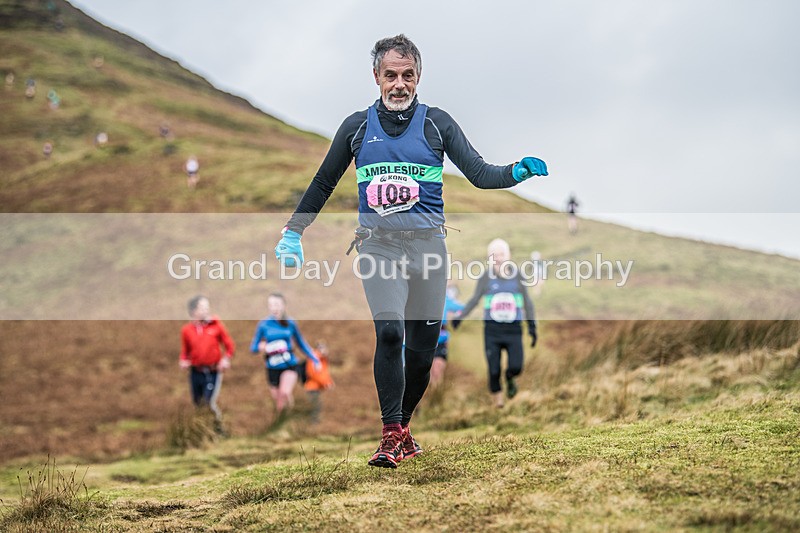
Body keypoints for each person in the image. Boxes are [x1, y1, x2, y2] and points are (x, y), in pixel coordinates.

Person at [274, 35, 548, 468]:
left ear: (418, 77)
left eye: (407, 75)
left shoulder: (437, 124)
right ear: (376, 77)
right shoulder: (357, 127)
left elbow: (478, 173)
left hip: (429, 252)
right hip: (378, 247)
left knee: (422, 351)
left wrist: (515, 172)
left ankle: (402, 428)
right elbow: (323, 183)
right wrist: (294, 231)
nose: (399, 84)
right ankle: (389, 435)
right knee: (390, 333)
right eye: (390, 75)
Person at [453, 239, 537, 408]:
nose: (498, 258)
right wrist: (460, 317)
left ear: (508, 256)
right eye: (494, 255)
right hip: (492, 331)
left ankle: (510, 377)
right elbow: (475, 299)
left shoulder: (518, 276)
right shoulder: (485, 277)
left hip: (514, 331)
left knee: (516, 367)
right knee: (493, 370)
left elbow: (528, 302)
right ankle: (499, 406)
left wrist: (532, 327)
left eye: (501, 254)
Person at [250, 293, 320, 418]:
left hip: (289, 364)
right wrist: (263, 347)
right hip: (272, 367)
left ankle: (288, 421)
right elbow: (253, 347)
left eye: (276, 304)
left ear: (283, 306)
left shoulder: (291, 323)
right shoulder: (264, 324)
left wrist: (314, 359)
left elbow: (301, 343)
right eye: (271, 305)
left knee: (285, 393)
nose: (274, 308)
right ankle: (282, 423)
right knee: (278, 399)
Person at [179, 295, 235, 432]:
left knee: (208, 402)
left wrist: (225, 359)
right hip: (195, 372)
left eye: (207, 307)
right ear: (193, 311)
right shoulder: (186, 330)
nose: (206, 310)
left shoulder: (216, 326)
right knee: (198, 403)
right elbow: (185, 351)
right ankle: (204, 432)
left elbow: (229, 346)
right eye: (202, 307)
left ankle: (219, 430)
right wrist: (183, 360)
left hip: (212, 372)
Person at [430, 282, 464, 389]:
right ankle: (428, 398)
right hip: (424, 341)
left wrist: (456, 317)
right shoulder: (424, 297)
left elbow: (463, 308)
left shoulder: (446, 300)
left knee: (438, 371)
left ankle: (436, 398)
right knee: (428, 374)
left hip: (441, 340)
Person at [303, 341, 335, 424]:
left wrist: (328, 381)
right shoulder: (314, 359)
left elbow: (324, 373)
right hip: (311, 387)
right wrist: (325, 383)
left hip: (316, 387)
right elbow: (313, 373)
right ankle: (311, 425)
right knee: (314, 407)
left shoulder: (322, 359)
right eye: (323, 348)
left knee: (317, 406)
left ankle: (314, 425)